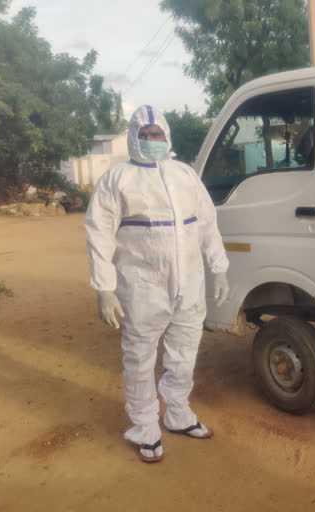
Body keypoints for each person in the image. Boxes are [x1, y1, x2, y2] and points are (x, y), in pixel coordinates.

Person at [85, 105, 230, 463]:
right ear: (134, 138)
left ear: (167, 136)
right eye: (145, 135)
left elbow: (207, 223)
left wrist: (220, 267)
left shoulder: (185, 175)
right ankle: (145, 427)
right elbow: (98, 233)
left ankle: (178, 413)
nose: (152, 140)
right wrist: (104, 288)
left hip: (190, 285)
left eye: (157, 134)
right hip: (142, 287)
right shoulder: (117, 179)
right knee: (139, 357)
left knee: (185, 351)